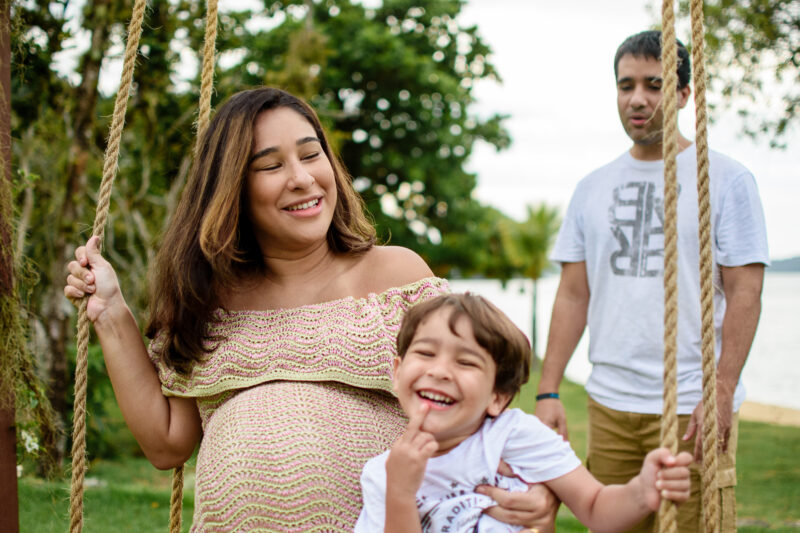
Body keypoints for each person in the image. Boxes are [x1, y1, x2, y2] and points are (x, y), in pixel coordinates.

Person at [64, 87, 558, 532]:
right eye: (271, 165)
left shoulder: (394, 276)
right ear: (231, 188)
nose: (301, 178)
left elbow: (480, 393)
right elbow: (166, 443)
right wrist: (110, 312)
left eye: (310, 154)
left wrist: (534, 484)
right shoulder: (207, 303)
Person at [535, 30, 769, 533]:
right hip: (610, 403)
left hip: (690, 408)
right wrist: (549, 390)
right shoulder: (591, 188)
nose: (637, 99)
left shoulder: (727, 180)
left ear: (684, 94)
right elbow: (574, 294)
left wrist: (722, 388)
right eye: (626, 86)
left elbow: (746, 292)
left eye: (654, 84)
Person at [355, 293, 692, 533]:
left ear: (497, 397)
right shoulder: (381, 473)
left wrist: (640, 492)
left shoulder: (513, 436)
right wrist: (399, 491)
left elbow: (595, 508)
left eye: (465, 362)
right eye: (426, 353)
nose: (440, 371)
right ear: (397, 373)